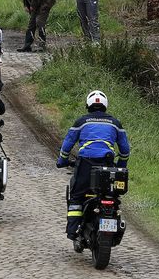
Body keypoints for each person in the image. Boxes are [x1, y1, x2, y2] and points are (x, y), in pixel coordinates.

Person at [55, 90, 129, 240]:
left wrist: (62, 161)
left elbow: (68, 143)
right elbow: (125, 150)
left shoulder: (81, 122)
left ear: (88, 105)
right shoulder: (115, 123)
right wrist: (121, 165)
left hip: (85, 165)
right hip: (107, 165)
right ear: (105, 105)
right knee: (111, 196)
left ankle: (73, 230)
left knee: (76, 196)